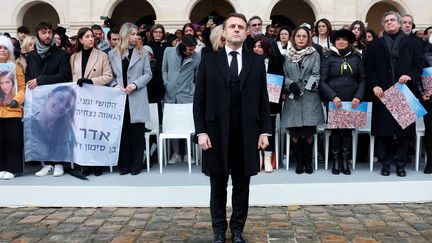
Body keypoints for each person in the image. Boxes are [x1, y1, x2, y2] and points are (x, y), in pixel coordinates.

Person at [193, 13, 271, 243]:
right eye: (232, 26)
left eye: (241, 27)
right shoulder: (209, 60)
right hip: (215, 134)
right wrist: (201, 131)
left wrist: (265, 131)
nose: (236, 30)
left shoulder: (256, 62)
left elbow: (262, 100)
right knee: (217, 186)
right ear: (224, 33)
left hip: (246, 134)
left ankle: (237, 230)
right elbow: (200, 100)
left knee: (241, 186)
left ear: (247, 32)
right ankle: (219, 232)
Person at [366, 11, 423, 177]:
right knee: (384, 132)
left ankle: (400, 164)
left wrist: (410, 75)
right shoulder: (375, 45)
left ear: (399, 23)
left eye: (392, 20)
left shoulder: (412, 43)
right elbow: (369, 69)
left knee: (403, 133)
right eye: (386, 21)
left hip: (403, 93)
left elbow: (418, 66)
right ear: (383, 25)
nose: (389, 23)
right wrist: (375, 85)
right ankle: (385, 163)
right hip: (383, 93)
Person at [25, 21, 72, 177]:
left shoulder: (62, 55)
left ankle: (59, 163)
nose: (47, 35)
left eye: (49, 32)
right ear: (38, 34)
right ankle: (46, 163)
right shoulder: (31, 56)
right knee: (41, 132)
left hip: (56, 102)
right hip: (38, 102)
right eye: (43, 32)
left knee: (57, 131)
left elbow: (64, 76)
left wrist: (40, 80)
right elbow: (28, 77)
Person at [319, 29, 366, 175]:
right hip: (335, 101)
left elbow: (363, 80)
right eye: (338, 39)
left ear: (348, 42)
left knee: (347, 132)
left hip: (352, 102)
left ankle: (345, 161)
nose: (341, 42)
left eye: (344, 40)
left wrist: (358, 96)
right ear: (335, 42)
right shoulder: (328, 58)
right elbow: (322, 81)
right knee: (335, 131)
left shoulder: (356, 58)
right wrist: (333, 96)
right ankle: (336, 161)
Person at [108, 22, 152, 175]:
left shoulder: (143, 52)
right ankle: (124, 165)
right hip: (120, 99)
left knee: (137, 133)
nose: (135, 37)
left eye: (137, 34)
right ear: (125, 35)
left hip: (137, 96)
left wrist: (135, 84)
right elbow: (111, 76)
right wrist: (114, 85)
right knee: (122, 133)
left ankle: (136, 165)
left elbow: (148, 74)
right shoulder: (112, 54)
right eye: (132, 34)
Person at [280, 26, 324, 174]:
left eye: (304, 36)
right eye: (298, 36)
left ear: (308, 38)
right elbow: (284, 75)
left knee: (309, 132)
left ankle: (308, 161)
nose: (301, 39)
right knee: (296, 133)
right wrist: (290, 85)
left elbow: (317, 73)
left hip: (309, 97)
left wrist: (307, 87)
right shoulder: (286, 55)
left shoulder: (314, 54)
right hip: (293, 98)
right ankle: (299, 162)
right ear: (294, 37)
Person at [70, 27, 113, 176]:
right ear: (80, 40)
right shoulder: (74, 57)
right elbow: (72, 78)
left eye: (92, 36)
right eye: (87, 36)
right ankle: (86, 163)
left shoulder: (102, 56)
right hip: (80, 101)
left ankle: (99, 163)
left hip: (97, 99)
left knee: (97, 132)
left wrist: (91, 81)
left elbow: (108, 76)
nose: (91, 39)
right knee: (83, 132)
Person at [162, 35, 200, 164]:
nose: (192, 51)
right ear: (183, 46)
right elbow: (164, 70)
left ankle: (189, 153)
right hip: (170, 94)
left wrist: (192, 89)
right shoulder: (168, 52)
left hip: (187, 95)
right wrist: (167, 83)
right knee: (173, 125)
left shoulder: (197, 57)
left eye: (194, 48)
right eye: (190, 49)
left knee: (188, 125)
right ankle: (176, 153)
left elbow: (197, 75)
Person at [252, 36, 284, 173]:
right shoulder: (248, 61)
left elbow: (280, 80)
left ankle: (267, 159)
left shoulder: (276, 61)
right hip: (253, 101)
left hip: (271, 101)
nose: (257, 49)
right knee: (254, 129)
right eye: (255, 46)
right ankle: (258, 158)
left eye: (260, 46)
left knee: (269, 129)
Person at [24, 85, 76, 164]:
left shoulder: (67, 129)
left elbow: (72, 157)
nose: (62, 106)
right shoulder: (27, 124)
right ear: (50, 95)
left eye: (67, 105)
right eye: (60, 99)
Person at [0, 35, 25, 180]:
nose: (2, 50)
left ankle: (13, 168)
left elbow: (22, 88)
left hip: (13, 110)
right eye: (0, 48)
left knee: (13, 140)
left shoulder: (15, 67)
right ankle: (1, 167)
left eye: (5, 48)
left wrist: (17, 100)